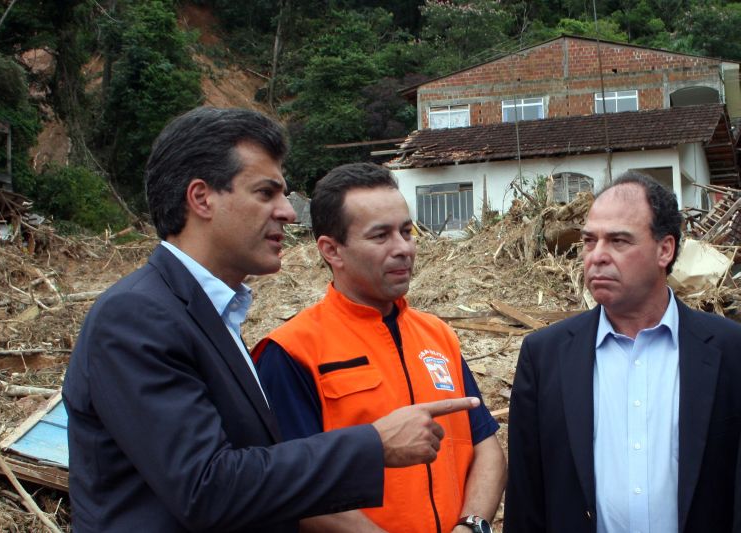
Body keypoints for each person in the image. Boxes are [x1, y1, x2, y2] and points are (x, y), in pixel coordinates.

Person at [62, 107, 481, 533]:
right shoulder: (138, 316)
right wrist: (373, 445)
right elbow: (206, 488)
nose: (288, 212)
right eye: (266, 193)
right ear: (201, 198)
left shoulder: (209, 316)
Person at [253, 162, 507, 533]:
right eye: (380, 236)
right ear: (332, 250)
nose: (403, 248)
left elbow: (484, 444)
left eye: (407, 231)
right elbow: (296, 489)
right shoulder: (292, 351)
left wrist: (471, 524)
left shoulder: (437, 335)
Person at [504, 170, 741, 532]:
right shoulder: (545, 357)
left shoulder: (729, 351)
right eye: (589, 241)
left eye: (618, 241)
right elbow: (526, 503)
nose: (597, 256)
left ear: (665, 249)